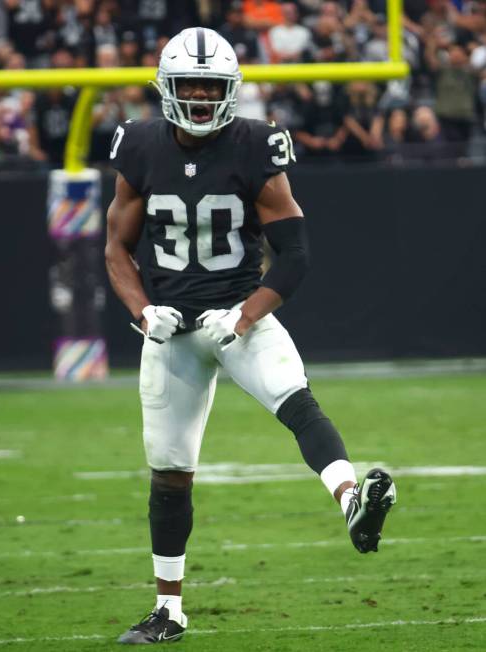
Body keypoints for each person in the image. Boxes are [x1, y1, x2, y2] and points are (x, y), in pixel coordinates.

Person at [105, 27, 397, 645]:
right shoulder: (138, 147)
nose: (205, 98)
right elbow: (116, 250)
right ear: (168, 89)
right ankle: (169, 611)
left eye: (215, 86)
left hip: (240, 313)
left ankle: (352, 501)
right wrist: (142, 313)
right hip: (172, 330)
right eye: (193, 86)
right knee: (170, 471)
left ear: (232, 89)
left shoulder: (257, 145)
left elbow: (295, 253)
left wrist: (244, 315)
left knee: (297, 401)